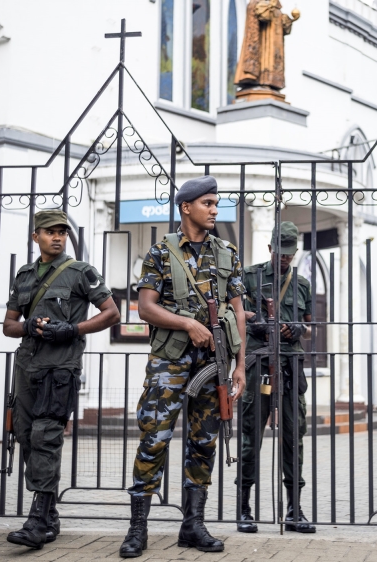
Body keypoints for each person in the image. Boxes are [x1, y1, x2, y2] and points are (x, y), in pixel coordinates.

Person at [119, 176, 247, 558]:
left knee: (204, 442)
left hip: (214, 361)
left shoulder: (227, 253)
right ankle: (137, 527)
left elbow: (238, 310)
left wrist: (240, 366)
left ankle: (193, 525)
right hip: (170, 359)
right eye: (208, 203)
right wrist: (188, 324)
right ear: (186, 207)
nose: (214, 209)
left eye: (216, 203)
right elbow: (145, 307)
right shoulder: (161, 252)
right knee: (154, 439)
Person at [2, 210, 120, 550]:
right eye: (50, 231)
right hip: (27, 367)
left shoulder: (81, 272)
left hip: (60, 369)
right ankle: (51, 516)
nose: (57, 237)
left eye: (62, 232)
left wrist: (72, 329)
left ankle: (37, 522)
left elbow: (111, 313)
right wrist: (28, 326)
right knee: (26, 435)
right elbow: (8, 325)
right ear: (35, 236)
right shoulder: (24, 276)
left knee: (46, 437)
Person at [236, 221, 315, 533]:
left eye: (289, 253)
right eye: (279, 252)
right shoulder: (249, 277)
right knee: (250, 436)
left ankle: (294, 510)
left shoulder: (303, 285)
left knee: (293, 438)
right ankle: (244, 508)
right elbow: (232, 313)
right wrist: (251, 321)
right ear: (270, 248)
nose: (284, 258)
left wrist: (298, 329)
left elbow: (311, 327)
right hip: (258, 366)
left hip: (290, 367)